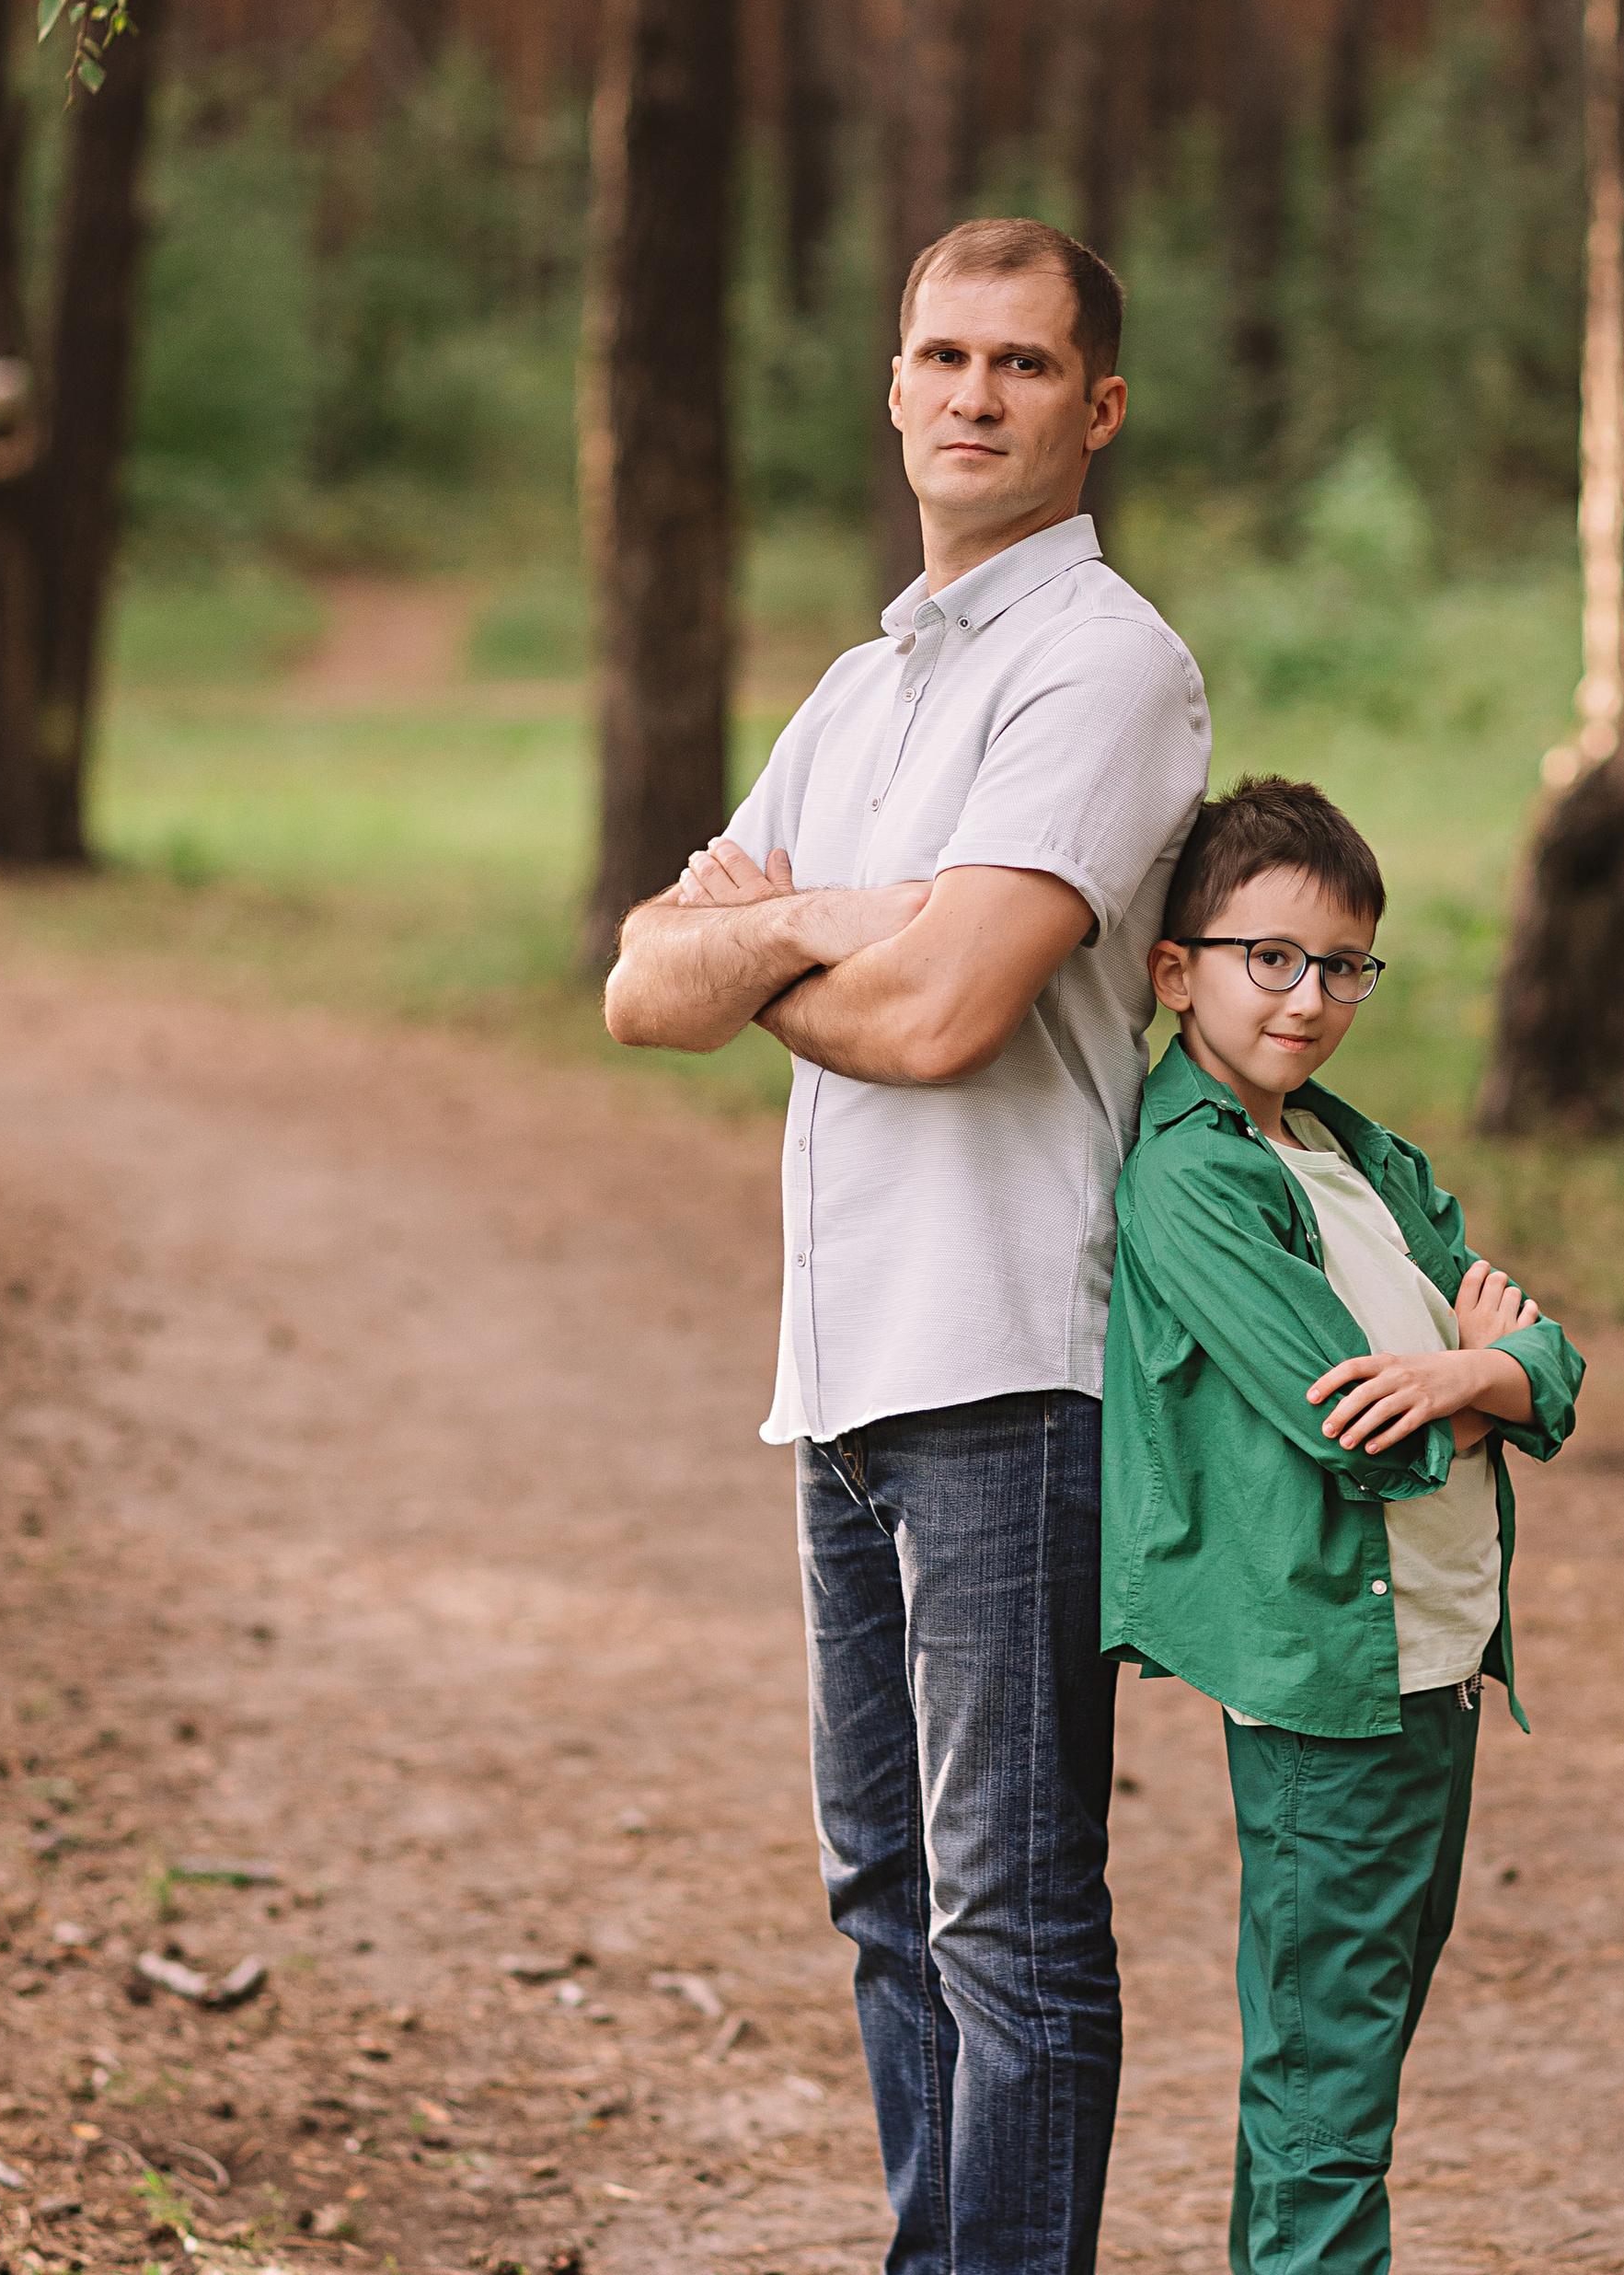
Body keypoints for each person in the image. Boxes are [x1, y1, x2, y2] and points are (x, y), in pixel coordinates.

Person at [602, 218, 1211, 2275]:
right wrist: (834, 922)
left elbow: (951, 1019)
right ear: (889, 386)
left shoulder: (1100, 662)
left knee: (1008, 1911)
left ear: (1093, 406)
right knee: (883, 1892)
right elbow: (635, 985)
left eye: (1021, 365)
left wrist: (770, 927)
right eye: (941, 356)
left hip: (1012, 1364)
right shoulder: (864, 686)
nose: (972, 395)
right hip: (844, 1364)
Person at [1100, 776, 1585, 2275]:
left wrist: (1484, 1370)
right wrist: (1476, 1370)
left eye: (1345, 967)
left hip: (1431, 1663)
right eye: (1272, 960)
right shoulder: (1192, 1174)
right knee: (1327, 2085)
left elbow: (1552, 1365)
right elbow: (1347, 1419)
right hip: (1331, 1684)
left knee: (1343, 2062)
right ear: (1178, 968)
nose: (1311, 999)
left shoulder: (1351, 1154)